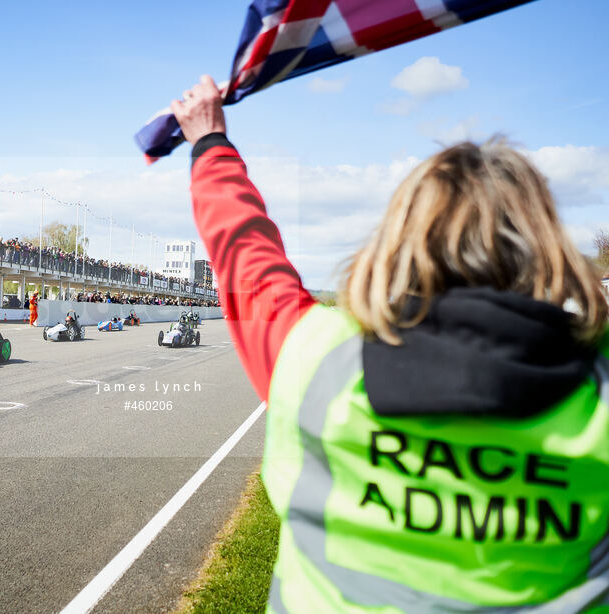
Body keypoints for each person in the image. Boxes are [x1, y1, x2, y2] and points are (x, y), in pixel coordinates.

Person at [172, 75, 609, 612]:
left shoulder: (318, 359)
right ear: (547, 247)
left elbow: (246, 257)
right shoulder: (598, 394)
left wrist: (210, 143)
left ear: (401, 240)